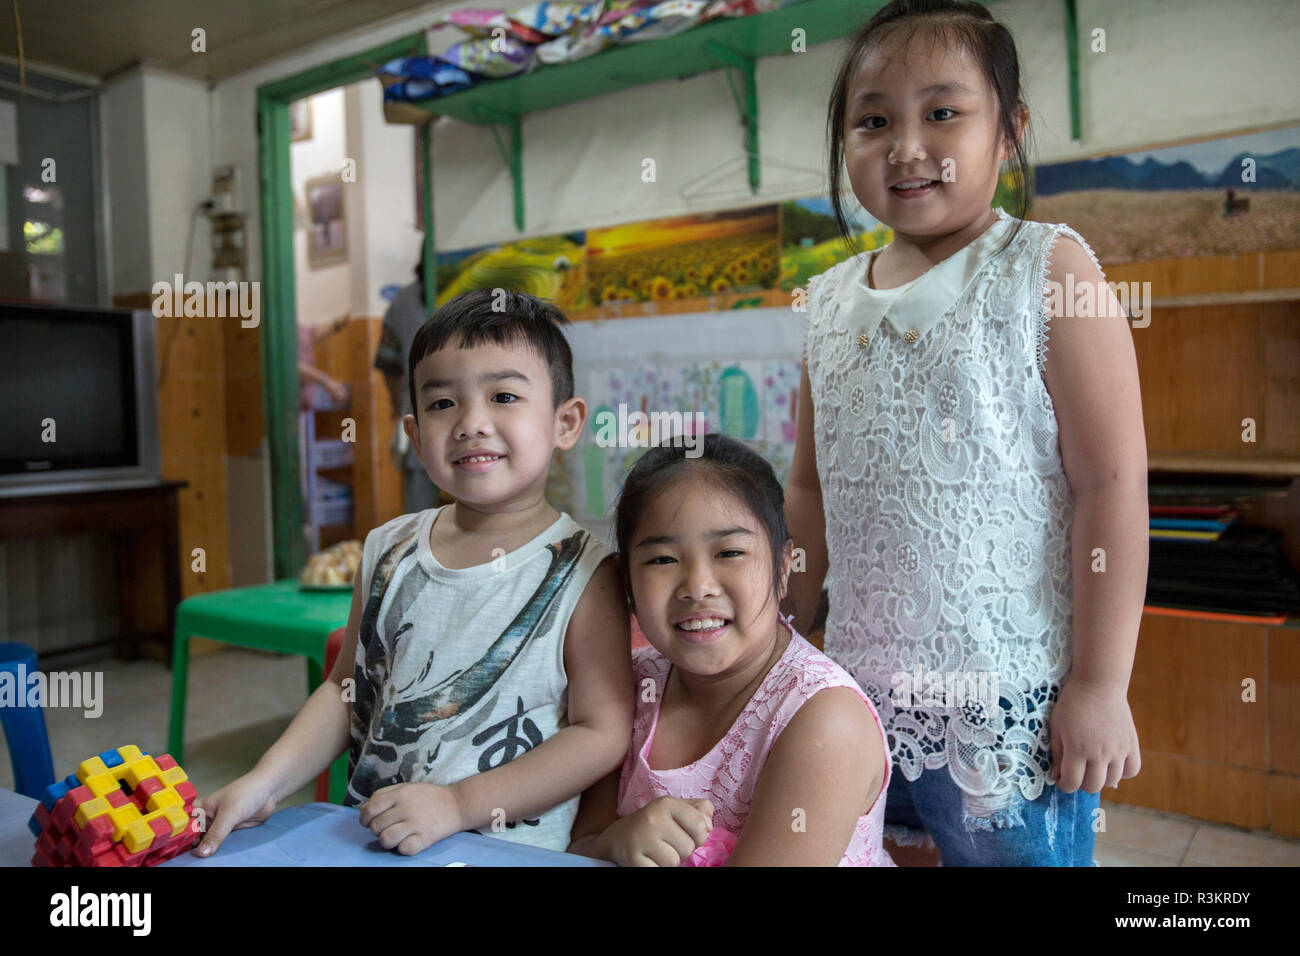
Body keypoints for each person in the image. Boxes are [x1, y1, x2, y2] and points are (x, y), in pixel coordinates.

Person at [784, 0, 1147, 866]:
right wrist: (785, 647)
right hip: (860, 695)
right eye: (874, 120)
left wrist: (1100, 684)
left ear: (1009, 130)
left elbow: (1113, 485)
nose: (906, 145)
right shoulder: (829, 300)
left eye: (942, 112)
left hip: (1008, 701)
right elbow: (806, 488)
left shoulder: (1048, 266)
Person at [195, 289, 635, 856]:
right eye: (442, 403)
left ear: (565, 422)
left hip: (500, 852)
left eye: (503, 395)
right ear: (413, 432)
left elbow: (601, 733)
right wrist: (263, 782)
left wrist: (459, 805)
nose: (471, 423)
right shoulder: (387, 548)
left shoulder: (587, 570)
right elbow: (343, 692)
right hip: (373, 842)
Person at [567, 434, 893, 866]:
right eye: (662, 559)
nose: (698, 587)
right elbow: (578, 846)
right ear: (627, 583)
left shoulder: (824, 719)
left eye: (730, 552)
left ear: (782, 569)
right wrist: (617, 841)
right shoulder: (628, 686)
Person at [374, 246, 439, 512]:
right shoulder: (471, 291)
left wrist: (396, 403)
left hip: (420, 424)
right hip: (475, 430)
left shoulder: (402, 302)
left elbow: (389, 366)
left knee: (422, 520)